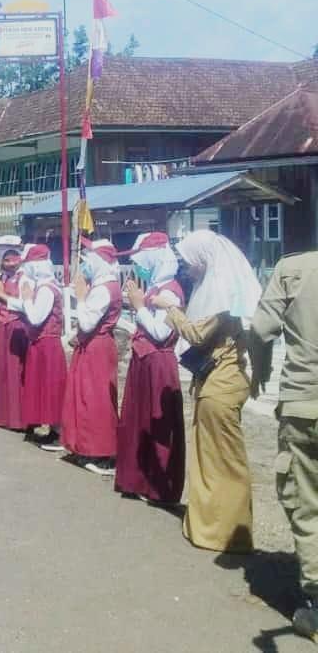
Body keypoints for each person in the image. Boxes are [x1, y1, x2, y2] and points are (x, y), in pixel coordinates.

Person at [149, 229, 261, 554]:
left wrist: (169, 308)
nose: (187, 268)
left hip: (221, 386)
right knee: (211, 460)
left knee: (225, 462)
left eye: (190, 261)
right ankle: (211, 527)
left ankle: (229, 533)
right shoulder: (215, 288)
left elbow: (197, 334)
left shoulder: (222, 292)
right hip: (215, 382)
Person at [249, 249, 318, 640]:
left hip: (304, 405)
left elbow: (260, 330)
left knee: (308, 504)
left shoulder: (293, 269)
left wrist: (261, 369)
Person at [117, 232, 186, 504]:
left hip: (158, 362)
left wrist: (138, 306)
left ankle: (159, 486)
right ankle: (138, 478)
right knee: (139, 421)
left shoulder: (169, 291)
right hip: (145, 359)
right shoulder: (157, 286)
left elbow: (159, 331)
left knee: (157, 423)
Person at [62, 239, 122, 475]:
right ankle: (87, 447)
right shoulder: (105, 286)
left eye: (88, 260)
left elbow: (88, 322)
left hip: (96, 348)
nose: (84, 265)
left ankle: (99, 451)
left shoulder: (103, 289)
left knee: (95, 399)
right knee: (86, 396)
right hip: (94, 345)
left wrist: (80, 296)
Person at [5, 244, 66, 447]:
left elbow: (36, 317)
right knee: (42, 385)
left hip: (46, 343)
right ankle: (52, 428)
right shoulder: (45, 287)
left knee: (50, 386)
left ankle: (57, 432)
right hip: (42, 343)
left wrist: (26, 298)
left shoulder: (46, 290)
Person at [0, 236, 27, 431]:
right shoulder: (2, 277)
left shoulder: (24, 278)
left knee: (15, 371)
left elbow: (25, 305)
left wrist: (0, 293)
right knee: (1, 371)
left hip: (16, 326)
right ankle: (2, 415)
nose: (8, 262)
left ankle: (17, 417)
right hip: (1, 325)